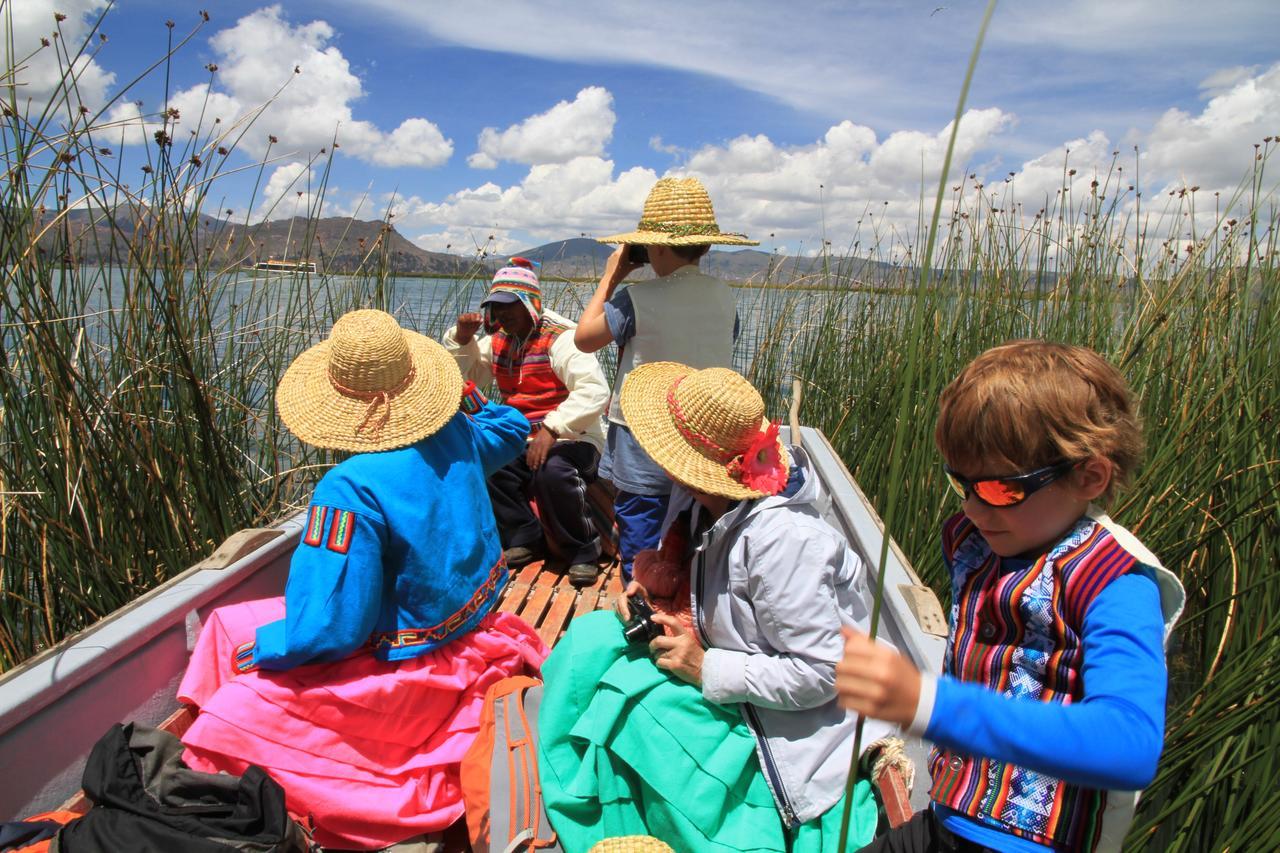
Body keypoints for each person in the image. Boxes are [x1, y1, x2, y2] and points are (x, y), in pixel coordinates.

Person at [176, 309, 549, 851]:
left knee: (227, 690)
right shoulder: (456, 434)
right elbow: (513, 427)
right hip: (477, 635)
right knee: (229, 626)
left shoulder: (349, 487)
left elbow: (333, 629)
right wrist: (458, 395)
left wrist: (260, 652)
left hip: (413, 668)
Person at [836, 341, 1186, 853]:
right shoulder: (981, 541)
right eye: (963, 484)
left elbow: (1129, 745)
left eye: (1002, 490)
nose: (976, 510)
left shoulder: (1116, 585)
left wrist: (929, 703)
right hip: (946, 821)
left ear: (1089, 475)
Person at [536, 363, 892, 852]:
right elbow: (700, 590)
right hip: (737, 672)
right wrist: (651, 596)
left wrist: (706, 667)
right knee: (588, 641)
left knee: (630, 700)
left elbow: (822, 674)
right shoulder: (701, 501)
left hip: (786, 728)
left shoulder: (782, 543)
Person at [574, 177, 756, 582]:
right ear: (707, 246)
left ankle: (639, 605)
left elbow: (584, 339)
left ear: (653, 245)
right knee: (691, 528)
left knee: (641, 527)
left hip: (644, 432)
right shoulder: (724, 295)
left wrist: (611, 276)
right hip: (703, 433)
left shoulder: (638, 298)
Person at [445, 259, 610, 586]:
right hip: (523, 436)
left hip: (575, 436)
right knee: (489, 461)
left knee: (554, 471)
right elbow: (467, 376)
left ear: (530, 304)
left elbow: (594, 391)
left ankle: (582, 551)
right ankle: (524, 535)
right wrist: (462, 339)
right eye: (496, 307)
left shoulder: (563, 338)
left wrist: (553, 428)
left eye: (510, 307)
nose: (503, 315)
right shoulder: (499, 340)